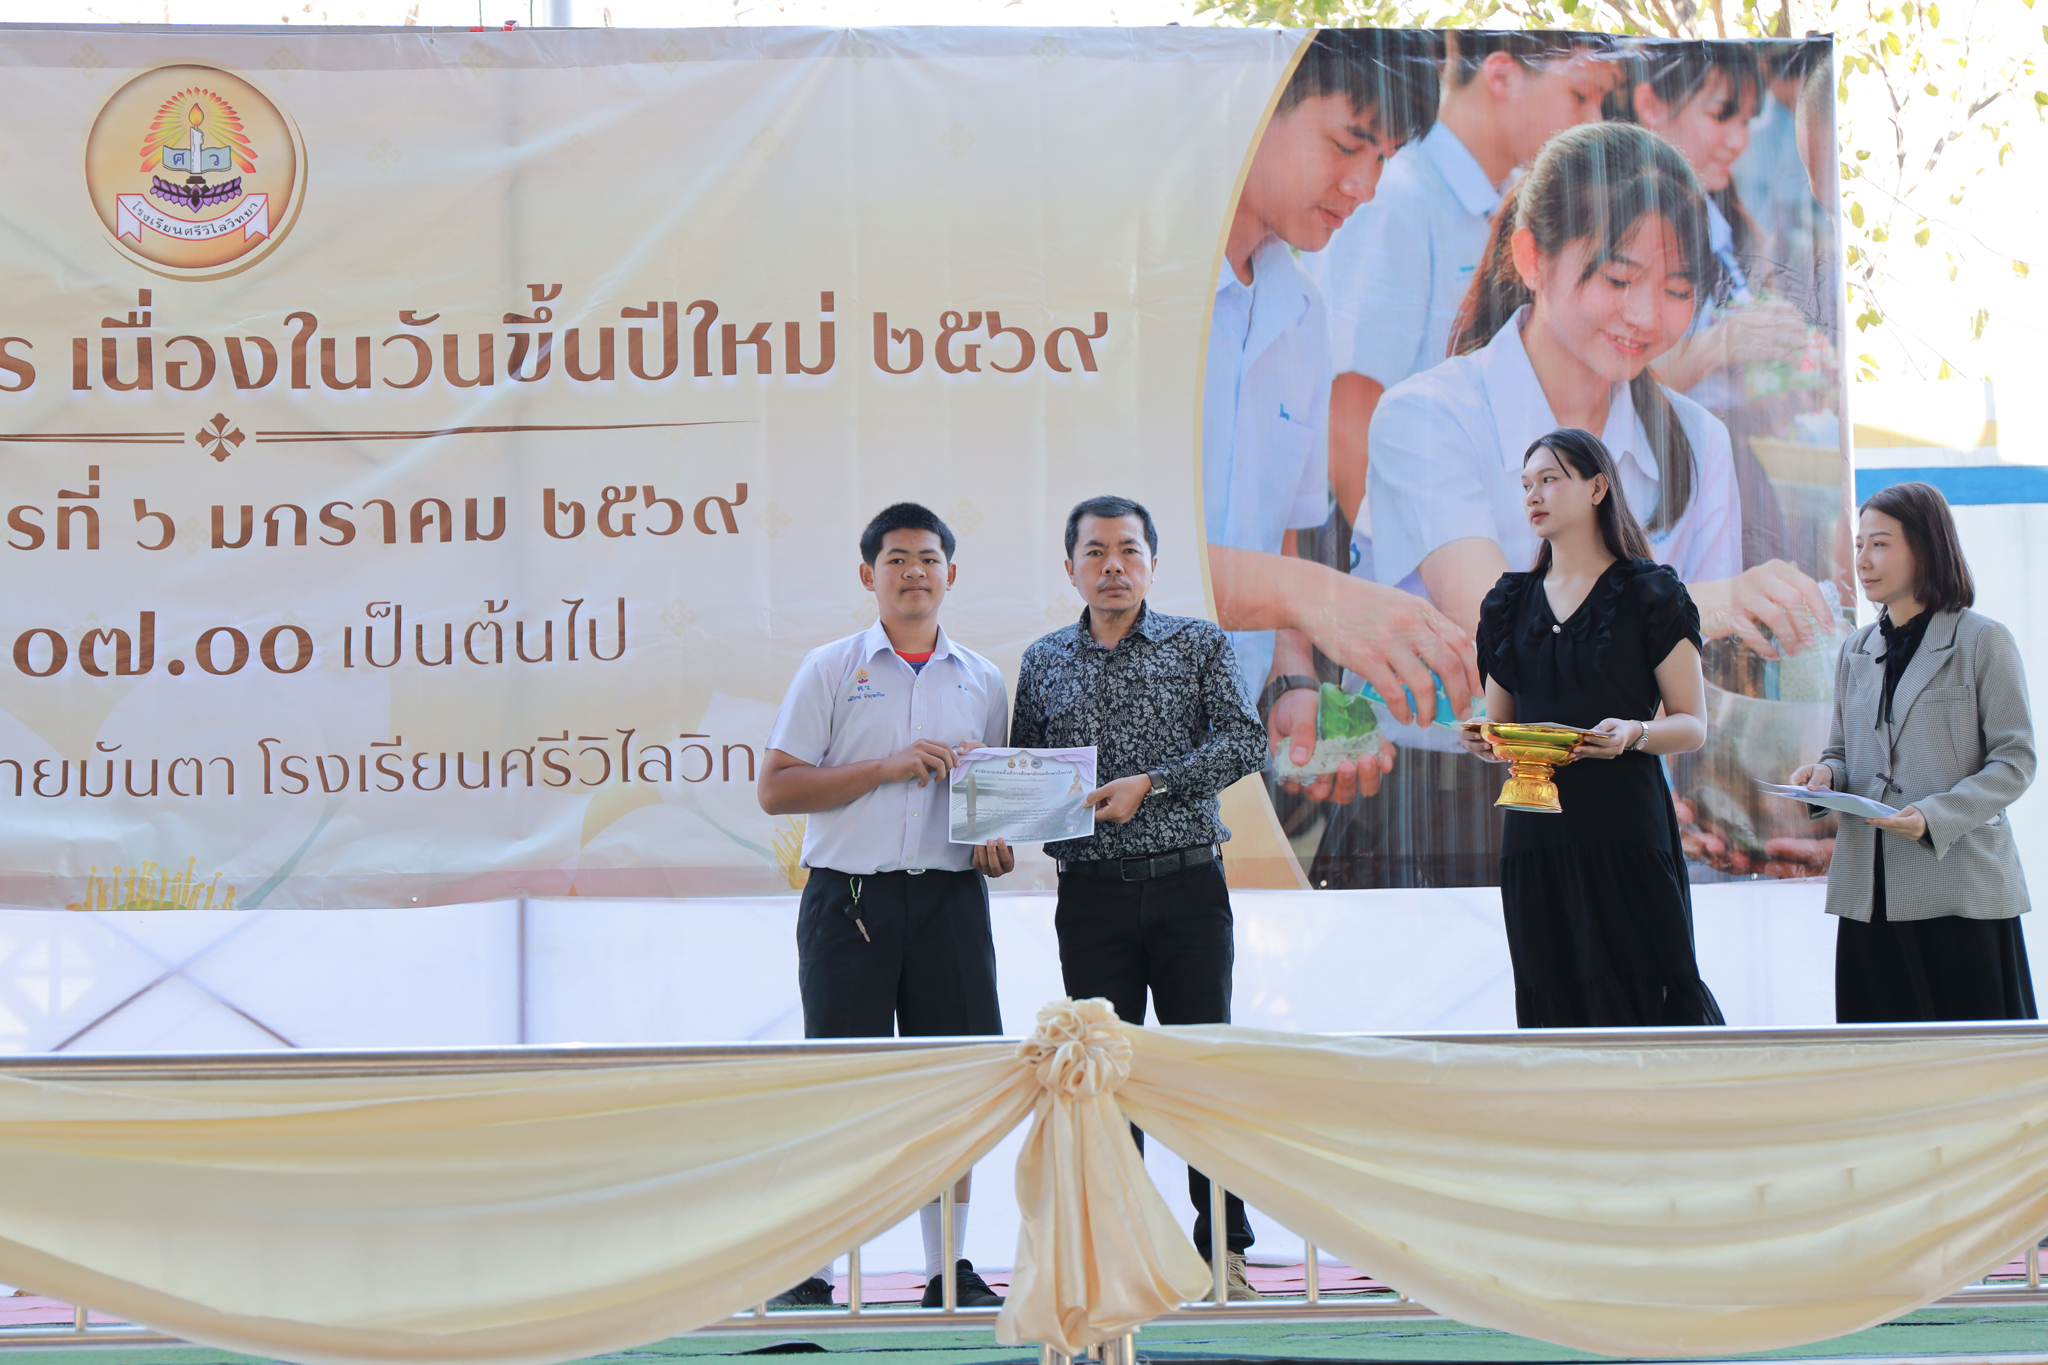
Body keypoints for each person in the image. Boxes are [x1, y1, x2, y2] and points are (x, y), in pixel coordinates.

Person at [1327, 121, 1794, 889]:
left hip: (1620, 802)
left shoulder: (1699, 443)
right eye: (1618, 278)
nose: (1646, 315)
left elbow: (1694, 695)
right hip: (1436, 813)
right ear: (1532, 258)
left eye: (1678, 290)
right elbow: (1506, 635)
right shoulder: (1428, 416)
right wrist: (1704, 604)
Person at [1202, 26, 1476, 806]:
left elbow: (1279, 531)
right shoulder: (1138, 301)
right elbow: (1111, 554)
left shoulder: (1303, 314)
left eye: (1384, 158)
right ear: (1257, 113)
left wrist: (1292, 677)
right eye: (1347, 144)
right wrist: (1321, 599)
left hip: (1223, 763)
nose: (1363, 186)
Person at [1012, 496, 1268, 1297]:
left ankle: (1223, 1250)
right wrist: (989, 819)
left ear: (1154, 562)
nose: (1112, 566)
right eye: (1095, 552)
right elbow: (1025, 772)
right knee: (1101, 1075)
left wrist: (1151, 784)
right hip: (1090, 898)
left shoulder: (1199, 643)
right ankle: (1118, 1254)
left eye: (1128, 549)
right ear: (1070, 568)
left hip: (1189, 885)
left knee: (1200, 1069)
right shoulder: (1043, 660)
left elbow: (1246, 740)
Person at [758, 502, 1013, 1309]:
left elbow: (992, 806)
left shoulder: (983, 679)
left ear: (951, 574)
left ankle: (948, 1269)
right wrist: (885, 767)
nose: (914, 573)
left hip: (950, 900)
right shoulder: (831, 667)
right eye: (897, 559)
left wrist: (996, 845)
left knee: (954, 1085)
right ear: (868, 574)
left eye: (928, 558)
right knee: (842, 1086)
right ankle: (816, 1269)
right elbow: (777, 788)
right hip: (850, 900)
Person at [1457, 428, 1722, 1027]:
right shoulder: (1507, 602)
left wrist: (1633, 734)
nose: (1533, 495)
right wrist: (1483, 738)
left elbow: (1692, 725)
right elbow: (1499, 722)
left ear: (1598, 487)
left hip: (1626, 828)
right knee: (1553, 1008)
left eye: (1550, 480)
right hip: (1536, 834)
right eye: (1526, 484)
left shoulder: (1651, 592)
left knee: (1648, 1004)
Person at [1314, 29, 1619, 531]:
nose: (1595, 120)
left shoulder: (1514, 202)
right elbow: (1349, 413)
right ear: (1501, 75)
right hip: (1420, 545)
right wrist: (1399, 557)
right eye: (1580, 94)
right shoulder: (1399, 199)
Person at [1789, 482, 2036, 1022]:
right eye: (1859, 545)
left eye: (1879, 544)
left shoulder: (1983, 640)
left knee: (1971, 1059)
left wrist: (1933, 816)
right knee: (1881, 1057)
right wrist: (1825, 774)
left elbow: (2015, 760)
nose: (1862, 560)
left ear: (1925, 547)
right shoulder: (1856, 649)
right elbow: (1841, 751)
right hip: (1869, 891)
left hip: (1959, 887)